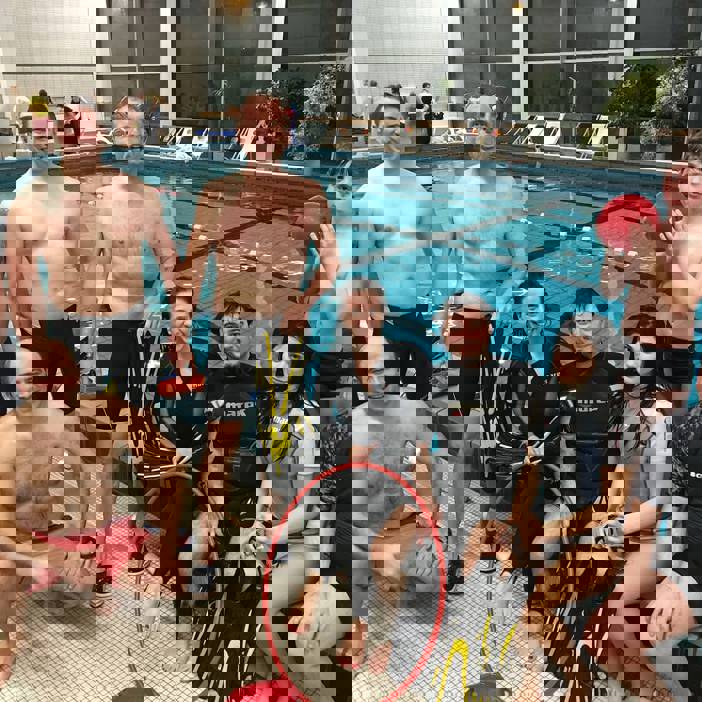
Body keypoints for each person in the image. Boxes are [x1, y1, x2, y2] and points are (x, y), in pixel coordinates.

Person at [6, 94, 182, 607]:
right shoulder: (31, 200)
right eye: (65, 127)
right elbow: (16, 273)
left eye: (79, 125)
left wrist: (174, 329)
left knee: (97, 450)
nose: (70, 134)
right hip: (55, 331)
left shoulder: (137, 196)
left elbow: (170, 264)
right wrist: (26, 340)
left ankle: (96, 551)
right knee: (53, 444)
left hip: (114, 328)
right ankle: (66, 548)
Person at [359, 92, 434, 399]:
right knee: (385, 399)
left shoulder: (421, 192)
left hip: (420, 311)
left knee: (419, 398)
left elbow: (435, 252)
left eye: (397, 125)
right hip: (386, 316)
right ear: (373, 132)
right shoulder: (366, 196)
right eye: (384, 125)